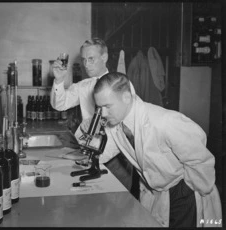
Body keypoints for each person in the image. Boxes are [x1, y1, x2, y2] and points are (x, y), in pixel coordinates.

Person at [88, 71, 222, 227]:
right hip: (158, 192)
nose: (103, 114)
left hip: (184, 190)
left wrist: (192, 188)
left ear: (126, 97)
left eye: (107, 106)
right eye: (99, 108)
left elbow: (199, 157)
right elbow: (102, 153)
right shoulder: (116, 126)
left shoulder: (163, 121)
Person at [50, 38, 134, 191]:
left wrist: (95, 157)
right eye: (84, 60)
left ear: (104, 57)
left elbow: (125, 128)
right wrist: (59, 80)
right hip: (92, 156)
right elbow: (59, 104)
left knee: (120, 207)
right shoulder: (85, 86)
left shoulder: (120, 84)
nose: (86, 65)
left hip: (118, 160)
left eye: (91, 59)